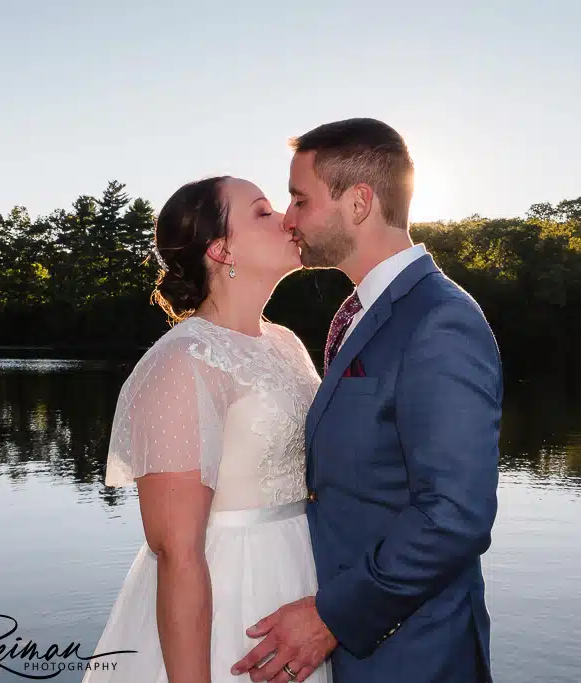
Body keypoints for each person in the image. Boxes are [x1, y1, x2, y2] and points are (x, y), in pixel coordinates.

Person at [231, 118, 503, 683]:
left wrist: (332, 617)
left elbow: (456, 515)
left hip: (414, 656)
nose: (289, 218)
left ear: (359, 203)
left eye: (300, 200)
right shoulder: (364, 313)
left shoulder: (439, 320)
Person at [82, 176, 332, 683]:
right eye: (262, 212)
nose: (286, 218)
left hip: (299, 579)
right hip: (229, 595)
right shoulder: (183, 360)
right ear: (221, 249)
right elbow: (175, 552)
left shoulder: (286, 344)